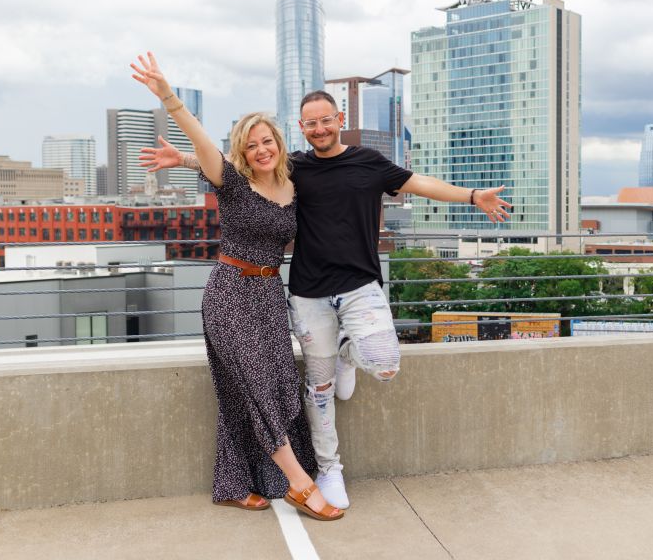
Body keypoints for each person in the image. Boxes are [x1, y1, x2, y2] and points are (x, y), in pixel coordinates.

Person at [140, 88, 510, 509]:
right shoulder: (291, 167)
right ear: (301, 128)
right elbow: (230, 166)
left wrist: (472, 195)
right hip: (288, 293)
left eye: (325, 120)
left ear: (338, 119)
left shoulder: (353, 163)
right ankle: (321, 472)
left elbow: (417, 182)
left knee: (376, 366)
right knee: (294, 388)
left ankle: (345, 355)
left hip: (326, 290)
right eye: (310, 122)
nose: (318, 128)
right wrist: (182, 146)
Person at [130, 53, 342, 521]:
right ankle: (300, 484)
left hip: (269, 297)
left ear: (279, 144)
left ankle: (232, 484)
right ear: (241, 153)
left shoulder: (293, 184)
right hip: (229, 293)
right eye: (251, 146)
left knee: (254, 388)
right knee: (257, 386)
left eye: (267, 141)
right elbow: (200, 140)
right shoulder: (231, 182)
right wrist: (169, 96)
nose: (261, 150)